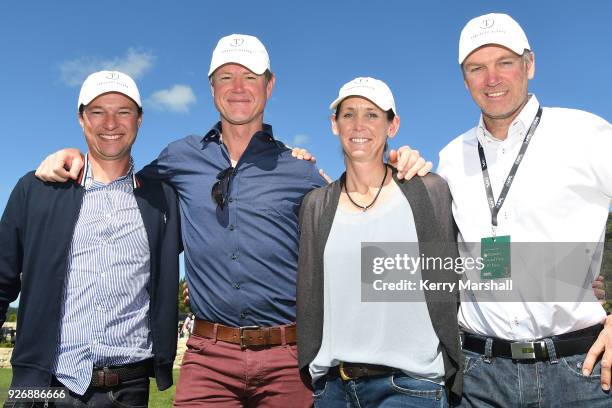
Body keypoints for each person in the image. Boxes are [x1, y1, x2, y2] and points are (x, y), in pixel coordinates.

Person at [33, 35, 429, 407]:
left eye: (250, 77)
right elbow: (120, 182)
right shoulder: (179, 157)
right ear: (211, 87)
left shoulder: (299, 169)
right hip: (209, 356)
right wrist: (76, 155)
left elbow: (357, 222)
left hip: (288, 357)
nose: (238, 86)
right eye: (226, 76)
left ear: (269, 85)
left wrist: (396, 164)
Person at [437, 13, 612, 406]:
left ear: (529, 65)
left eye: (505, 63)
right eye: (477, 68)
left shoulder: (587, 134)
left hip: (580, 372)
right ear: (465, 79)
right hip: (480, 376)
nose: (491, 79)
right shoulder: (450, 158)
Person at [0, 71, 181, 407]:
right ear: (81, 118)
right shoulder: (36, 189)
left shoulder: (164, 201)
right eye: (98, 111)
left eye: (123, 111)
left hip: (125, 389)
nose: (110, 123)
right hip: (40, 387)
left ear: (139, 119)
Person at [296, 77, 462, 407]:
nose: (359, 125)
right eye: (348, 114)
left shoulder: (429, 191)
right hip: (333, 390)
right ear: (334, 124)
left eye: (372, 115)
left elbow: (469, 261)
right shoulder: (316, 205)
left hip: (410, 389)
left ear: (393, 125)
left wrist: (568, 279)